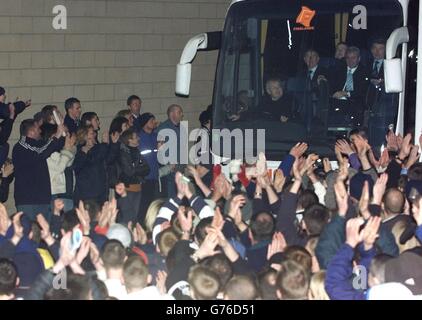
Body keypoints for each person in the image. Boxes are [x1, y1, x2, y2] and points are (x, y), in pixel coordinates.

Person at [12, 119, 65, 222]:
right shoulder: (22, 145)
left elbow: (54, 146)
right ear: (31, 131)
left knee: (44, 234)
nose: (40, 131)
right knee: (29, 232)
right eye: (37, 129)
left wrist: (61, 131)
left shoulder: (38, 144)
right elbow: (41, 153)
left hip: (43, 199)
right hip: (28, 200)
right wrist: (57, 135)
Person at [116, 128, 150, 225]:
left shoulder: (137, 152)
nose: (138, 139)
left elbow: (147, 168)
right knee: (125, 216)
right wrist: (139, 169)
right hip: (127, 189)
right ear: (129, 140)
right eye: (136, 137)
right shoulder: (123, 153)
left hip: (137, 188)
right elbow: (129, 171)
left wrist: (136, 169)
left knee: (134, 217)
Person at [329, 46, 370, 127]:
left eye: (353, 58)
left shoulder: (365, 72)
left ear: (359, 59)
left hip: (354, 102)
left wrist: (345, 93)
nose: (350, 61)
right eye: (348, 58)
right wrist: (333, 93)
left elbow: (362, 91)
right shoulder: (339, 70)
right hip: (337, 101)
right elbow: (331, 85)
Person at [157, 104, 185, 198]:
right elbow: (160, 148)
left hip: (180, 167)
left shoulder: (181, 127)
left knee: (180, 194)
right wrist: (169, 163)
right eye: (179, 112)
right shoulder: (163, 128)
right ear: (172, 114)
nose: (182, 114)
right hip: (170, 168)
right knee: (171, 195)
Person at [138, 112, 160, 224]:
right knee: (143, 205)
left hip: (154, 176)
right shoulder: (139, 137)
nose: (154, 122)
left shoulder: (156, 136)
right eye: (151, 120)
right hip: (144, 178)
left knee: (154, 204)